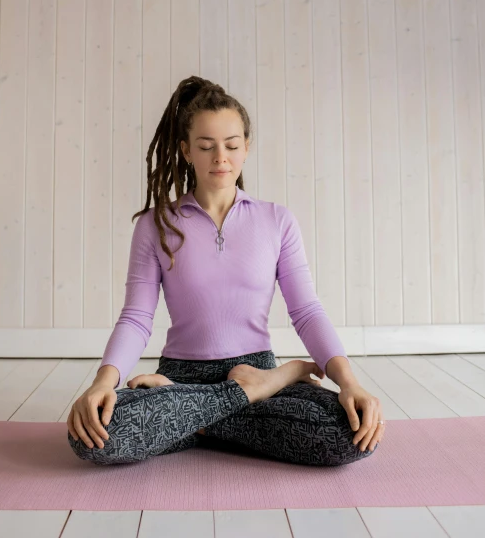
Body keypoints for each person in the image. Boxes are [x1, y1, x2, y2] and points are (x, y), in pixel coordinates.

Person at [67, 75, 384, 466]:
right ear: (185, 150)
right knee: (92, 434)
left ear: (246, 148)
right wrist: (104, 382)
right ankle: (250, 393)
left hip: (249, 369)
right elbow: (137, 317)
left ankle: (192, 419)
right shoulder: (155, 224)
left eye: (232, 145)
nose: (221, 157)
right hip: (187, 375)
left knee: (351, 433)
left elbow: (306, 311)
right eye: (206, 146)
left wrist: (350, 383)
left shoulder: (276, 221)